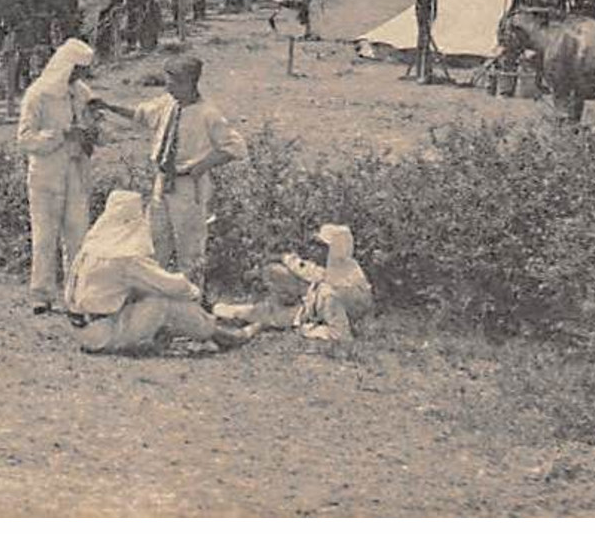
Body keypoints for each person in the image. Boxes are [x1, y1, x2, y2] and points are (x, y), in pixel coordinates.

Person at [93, 55, 246, 289]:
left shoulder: (208, 113)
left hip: (188, 187)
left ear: (189, 82)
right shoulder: (167, 105)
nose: (168, 87)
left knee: (190, 248)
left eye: (174, 82)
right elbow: (140, 115)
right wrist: (108, 106)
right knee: (155, 243)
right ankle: (157, 295)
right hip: (162, 182)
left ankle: (194, 300)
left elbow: (235, 147)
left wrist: (201, 167)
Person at [64, 190, 253, 355]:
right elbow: (173, 286)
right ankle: (222, 334)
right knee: (163, 302)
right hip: (104, 334)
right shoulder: (124, 257)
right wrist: (193, 292)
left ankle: (203, 329)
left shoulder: (92, 248)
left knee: (148, 295)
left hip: (82, 331)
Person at [16, 38, 99, 315]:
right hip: (47, 174)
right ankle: (41, 294)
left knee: (78, 234)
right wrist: (61, 135)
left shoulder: (81, 93)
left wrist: (91, 133)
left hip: (76, 171)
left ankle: (76, 294)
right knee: (45, 235)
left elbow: (97, 126)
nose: (79, 76)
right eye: (77, 69)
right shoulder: (38, 95)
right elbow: (26, 139)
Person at [212, 224, 374, 341]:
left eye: (322, 246)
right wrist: (284, 258)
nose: (317, 250)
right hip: (313, 302)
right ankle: (225, 313)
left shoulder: (334, 291)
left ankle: (236, 325)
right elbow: (308, 271)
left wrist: (309, 330)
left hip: (314, 312)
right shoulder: (346, 268)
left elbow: (341, 334)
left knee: (273, 315)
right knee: (274, 278)